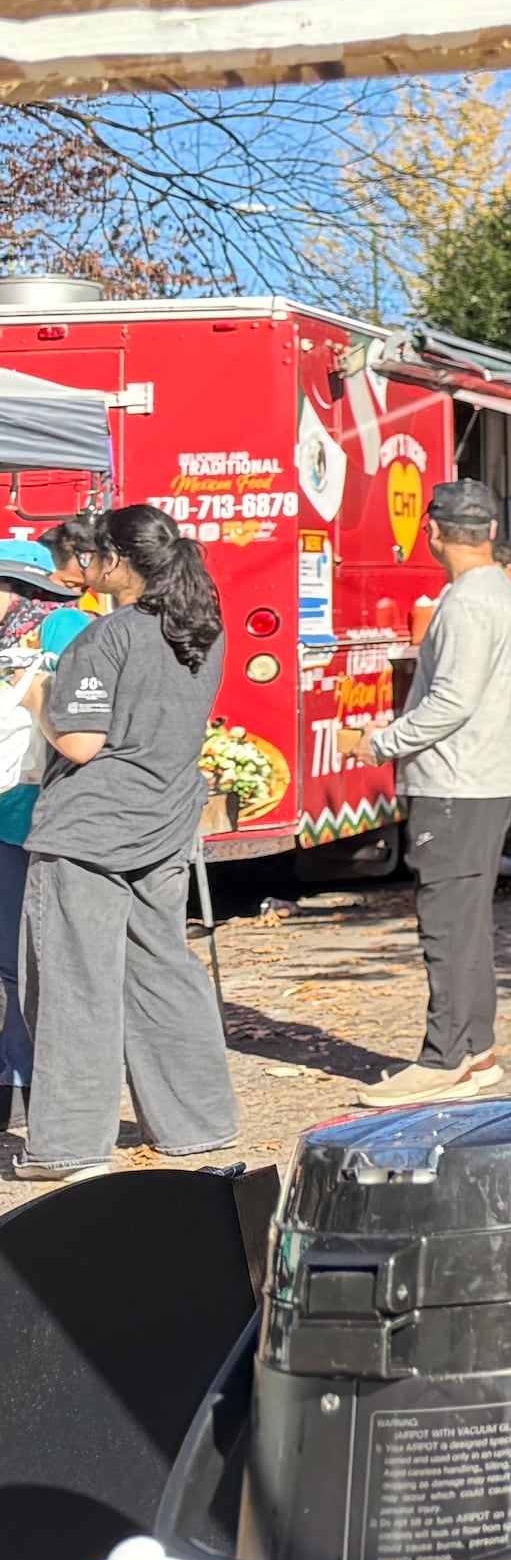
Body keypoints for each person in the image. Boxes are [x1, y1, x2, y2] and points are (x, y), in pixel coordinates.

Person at [19, 505, 240, 1178]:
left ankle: (67, 1146)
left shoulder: (107, 636)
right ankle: (197, 1123)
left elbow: (82, 744)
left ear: (115, 562)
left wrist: (38, 702)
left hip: (89, 830)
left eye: (91, 559)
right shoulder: (205, 631)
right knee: (163, 972)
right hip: (166, 824)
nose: (86, 570)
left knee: (71, 984)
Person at [360, 478, 511, 1097]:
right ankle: (478, 1053)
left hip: (459, 782)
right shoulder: (508, 593)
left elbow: (451, 702)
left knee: (446, 923)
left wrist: (381, 740)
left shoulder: (464, 602)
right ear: (490, 531)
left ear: (432, 531)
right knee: (466, 922)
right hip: (492, 775)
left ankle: (444, 1061)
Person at [0, 539, 93, 1143]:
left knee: (23, 964)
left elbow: (81, 718)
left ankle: (34, 1091)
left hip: (30, 816)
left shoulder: (66, 627)